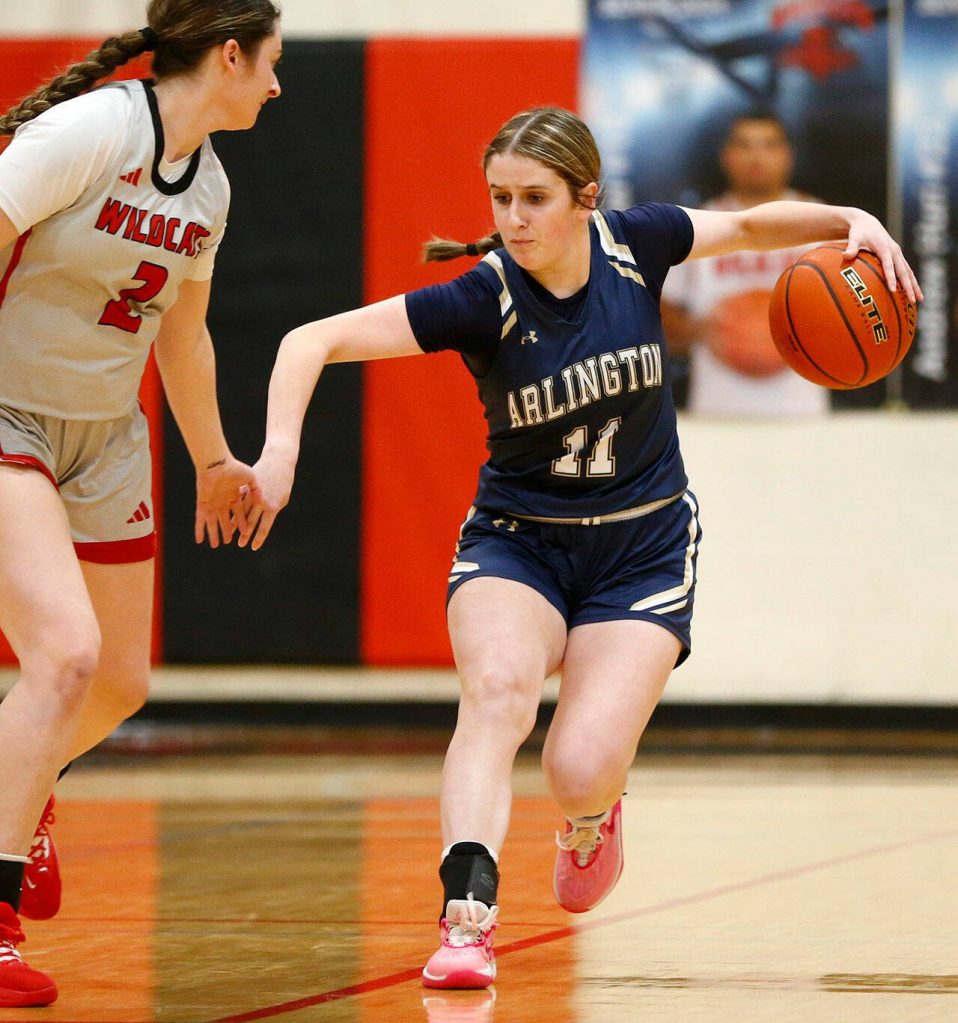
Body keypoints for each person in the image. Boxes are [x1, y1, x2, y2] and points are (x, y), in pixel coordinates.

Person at [245, 107, 920, 990]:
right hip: (519, 543)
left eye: (534, 198)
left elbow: (753, 225)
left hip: (641, 548)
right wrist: (279, 454)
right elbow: (311, 339)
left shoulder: (638, 244)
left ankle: (591, 815)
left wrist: (848, 222)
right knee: (494, 696)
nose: (514, 218)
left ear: (586, 199)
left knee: (576, 764)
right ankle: (466, 918)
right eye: (500, 199)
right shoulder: (481, 296)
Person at [0, 0, 282, 1006]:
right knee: (62, 655)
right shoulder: (90, 130)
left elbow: (184, 336)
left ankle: (23, 792)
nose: (278, 86)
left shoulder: (208, 183)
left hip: (107, 436)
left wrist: (214, 459)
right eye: (271, 64)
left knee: (117, 682)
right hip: (9, 416)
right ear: (231, 54)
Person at [661, 112, 831, 416]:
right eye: (744, 145)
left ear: (787, 155)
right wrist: (698, 329)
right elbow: (659, 315)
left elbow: (853, 309)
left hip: (801, 411)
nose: (756, 157)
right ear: (726, 156)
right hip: (718, 410)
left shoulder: (822, 220)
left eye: (769, 145)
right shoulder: (699, 223)